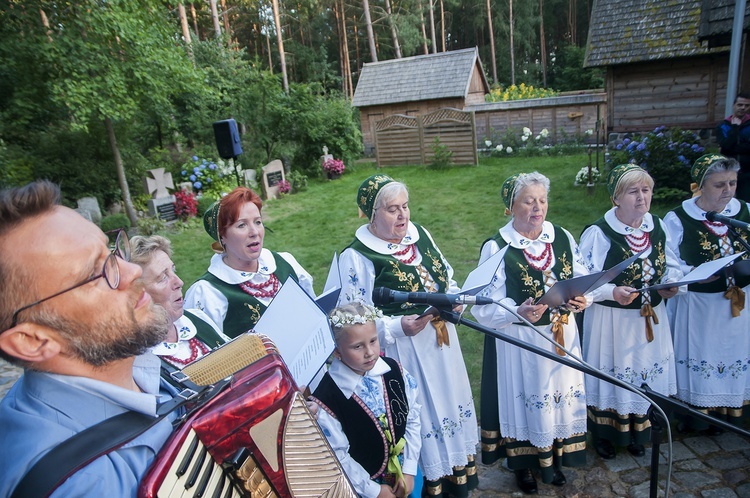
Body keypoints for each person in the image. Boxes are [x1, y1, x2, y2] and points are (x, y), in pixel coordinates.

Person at [0, 181, 175, 496]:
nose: (132, 270)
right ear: (32, 340)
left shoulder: (123, 360)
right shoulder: (81, 485)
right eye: (96, 274)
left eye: (111, 251)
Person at [338, 174, 479, 497]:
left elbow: (447, 276)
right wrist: (397, 327)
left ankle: (457, 480)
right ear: (371, 215)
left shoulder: (421, 236)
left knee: (450, 406)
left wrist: (456, 300)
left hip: (443, 346)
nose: (403, 215)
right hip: (406, 353)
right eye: (392, 209)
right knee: (421, 417)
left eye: (405, 206)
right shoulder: (358, 256)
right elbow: (352, 318)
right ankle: (429, 484)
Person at [472, 172, 589, 495]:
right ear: (510, 207)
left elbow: (582, 275)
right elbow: (481, 305)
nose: (538, 207)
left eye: (542, 200)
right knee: (526, 401)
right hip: (522, 342)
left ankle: (555, 458)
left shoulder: (561, 236)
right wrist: (516, 311)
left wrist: (583, 297)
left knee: (558, 399)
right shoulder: (497, 246)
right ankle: (523, 466)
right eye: (529, 201)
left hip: (562, 337)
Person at [578, 164, 680, 460]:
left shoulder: (656, 226)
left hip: (650, 318)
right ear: (616, 198)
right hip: (613, 321)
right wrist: (611, 292)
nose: (641, 198)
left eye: (645, 190)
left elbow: (670, 263)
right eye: (633, 191)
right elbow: (585, 278)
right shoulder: (599, 232)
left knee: (643, 372)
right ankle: (605, 433)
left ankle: (638, 429)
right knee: (615, 372)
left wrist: (670, 284)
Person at [664, 153, 750, 432]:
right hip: (700, 305)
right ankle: (698, 414)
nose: (728, 191)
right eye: (719, 185)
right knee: (704, 355)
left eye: (732, 183)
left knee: (734, 354)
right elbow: (669, 263)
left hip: (739, 305)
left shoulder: (745, 213)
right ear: (700, 186)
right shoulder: (678, 218)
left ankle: (731, 409)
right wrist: (696, 274)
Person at [312, 302, 422, 498]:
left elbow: (412, 415)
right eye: (358, 346)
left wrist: (409, 468)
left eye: (373, 341)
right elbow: (337, 455)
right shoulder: (328, 398)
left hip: (405, 473)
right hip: (365, 486)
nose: (370, 352)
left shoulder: (393, 371)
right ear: (337, 351)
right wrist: (374, 491)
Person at [184, 186, 314, 339]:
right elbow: (205, 354)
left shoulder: (285, 262)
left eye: (258, 222)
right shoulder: (208, 293)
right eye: (242, 225)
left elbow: (314, 312)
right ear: (222, 236)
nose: (254, 232)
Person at [130, 235, 230, 368]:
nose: (179, 282)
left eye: (173, 270)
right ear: (137, 296)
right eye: (163, 277)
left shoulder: (196, 318)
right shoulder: (143, 363)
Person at [716, 91, 750, 201]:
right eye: (740, 105)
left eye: (747, 105)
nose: (743, 108)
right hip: (728, 171)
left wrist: (730, 148)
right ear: (734, 105)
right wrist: (735, 128)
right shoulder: (723, 126)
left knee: (746, 202)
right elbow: (725, 145)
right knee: (726, 201)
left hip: (748, 171)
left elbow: (727, 147)